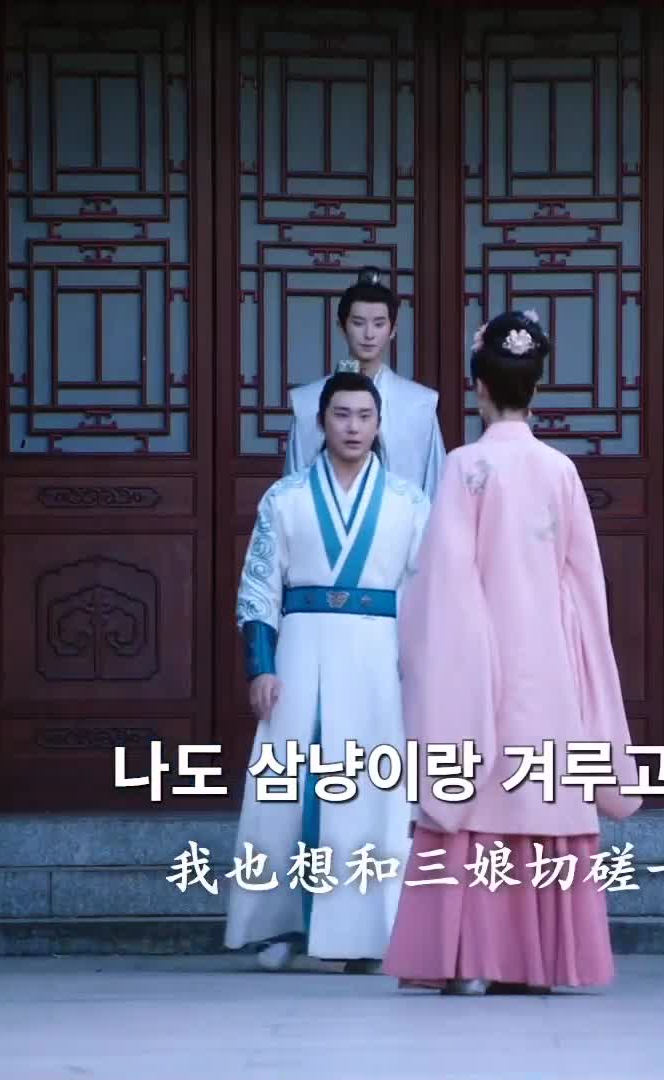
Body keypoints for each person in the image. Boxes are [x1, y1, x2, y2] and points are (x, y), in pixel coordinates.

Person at [381, 310, 642, 996]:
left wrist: (442, 661)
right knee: (543, 789)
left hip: (480, 657)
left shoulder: (465, 467)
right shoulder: (559, 470)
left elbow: (443, 584)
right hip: (550, 662)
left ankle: (471, 958)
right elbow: (585, 583)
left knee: (476, 793)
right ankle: (540, 961)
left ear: (479, 387)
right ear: (537, 387)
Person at [225, 370, 431, 975]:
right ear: (321, 422)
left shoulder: (408, 503)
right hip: (301, 649)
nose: (353, 428)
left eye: (365, 416)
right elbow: (258, 588)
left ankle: (370, 931)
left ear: (379, 424)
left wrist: (419, 671)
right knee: (287, 785)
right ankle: (281, 926)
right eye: (342, 415)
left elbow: (425, 594)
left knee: (372, 787)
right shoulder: (285, 498)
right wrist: (261, 667)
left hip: (377, 655)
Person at [285, 268, 446, 495]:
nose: (369, 334)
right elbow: (292, 489)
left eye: (379, 324)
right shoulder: (308, 402)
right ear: (342, 327)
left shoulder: (420, 404)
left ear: (393, 330)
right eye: (359, 323)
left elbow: (436, 488)